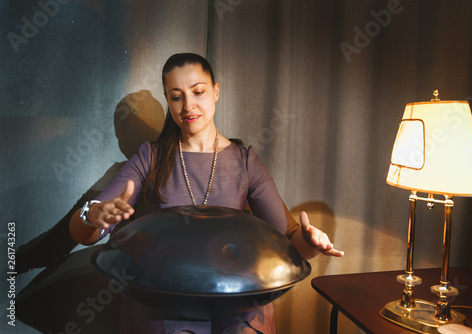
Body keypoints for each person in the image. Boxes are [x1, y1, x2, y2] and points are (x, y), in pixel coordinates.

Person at [69, 53, 344, 334]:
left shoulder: (245, 160)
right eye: (176, 96)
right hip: (164, 298)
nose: (188, 106)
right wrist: (93, 215)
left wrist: (311, 241)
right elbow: (83, 233)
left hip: (236, 298)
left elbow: (290, 242)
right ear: (168, 100)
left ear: (215, 92)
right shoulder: (150, 157)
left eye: (198, 92)